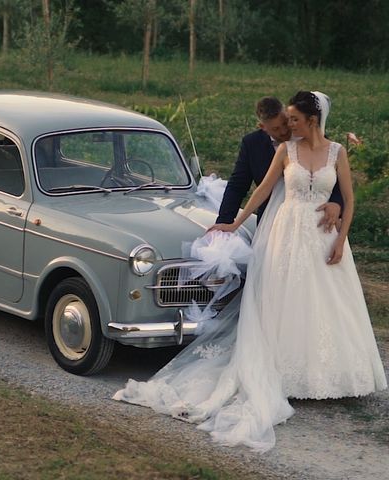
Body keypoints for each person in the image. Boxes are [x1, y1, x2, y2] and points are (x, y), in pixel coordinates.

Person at [113, 91, 387, 452]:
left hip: (323, 236)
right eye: (284, 120)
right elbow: (258, 191)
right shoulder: (283, 151)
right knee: (283, 301)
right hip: (286, 235)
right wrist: (232, 222)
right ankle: (286, 376)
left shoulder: (337, 152)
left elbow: (347, 197)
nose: (288, 126)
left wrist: (341, 239)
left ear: (311, 120)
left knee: (324, 303)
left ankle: (331, 376)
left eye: (293, 120)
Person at [215, 96, 342, 231]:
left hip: (311, 218)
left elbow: (333, 176)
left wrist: (337, 203)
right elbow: (238, 185)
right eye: (275, 129)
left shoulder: (309, 137)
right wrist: (225, 221)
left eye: (285, 123)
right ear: (262, 127)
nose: (283, 131)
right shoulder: (252, 144)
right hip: (270, 218)